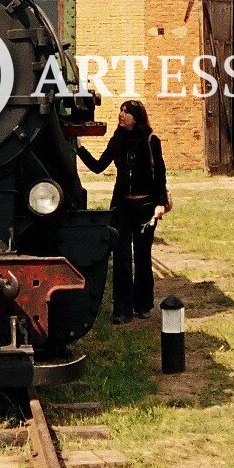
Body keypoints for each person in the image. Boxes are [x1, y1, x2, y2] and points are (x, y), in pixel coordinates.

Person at [76, 99, 171, 323]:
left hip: (145, 207)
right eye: (120, 110)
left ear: (136, 117)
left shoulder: (150, 141)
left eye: (126, 112)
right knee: (120, 257)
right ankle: (122, 310)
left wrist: (160, 203)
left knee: (142, 255)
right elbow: (99, 167)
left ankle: (143, 305)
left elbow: (160, 175)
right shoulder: (117, 140)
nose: (121, 114)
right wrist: (80, 149)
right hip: (121, 206)